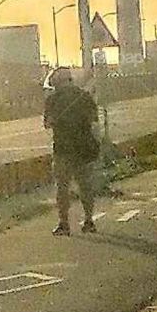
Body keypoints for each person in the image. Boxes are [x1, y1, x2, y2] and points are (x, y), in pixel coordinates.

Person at [43, 67, 100, 236]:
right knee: (85, 186)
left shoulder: (52, 100)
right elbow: (94, 120)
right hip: (84, 148)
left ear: (56, 83)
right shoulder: (84, 96)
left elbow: (47, 123)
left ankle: (64, 223)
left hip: (63, 149)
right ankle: (89, 220)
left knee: (62, 188)